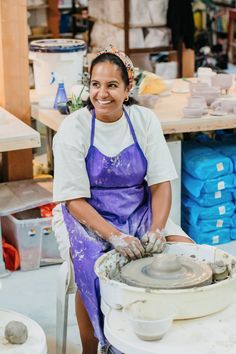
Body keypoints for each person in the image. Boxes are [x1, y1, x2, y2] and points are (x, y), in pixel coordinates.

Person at [52, 45, 193, 354]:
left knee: (186, 255)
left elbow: (160, 185)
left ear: (128, 89)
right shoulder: (73, 129)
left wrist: (156, 229)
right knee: (93, 269)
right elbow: (74, 200)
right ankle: (96, 347)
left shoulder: (144, 121)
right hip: (85, 212)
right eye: (96, 84)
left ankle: (156, 341)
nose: (102, 93)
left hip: (136, 205)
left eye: (112, 85)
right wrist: (114, 236)